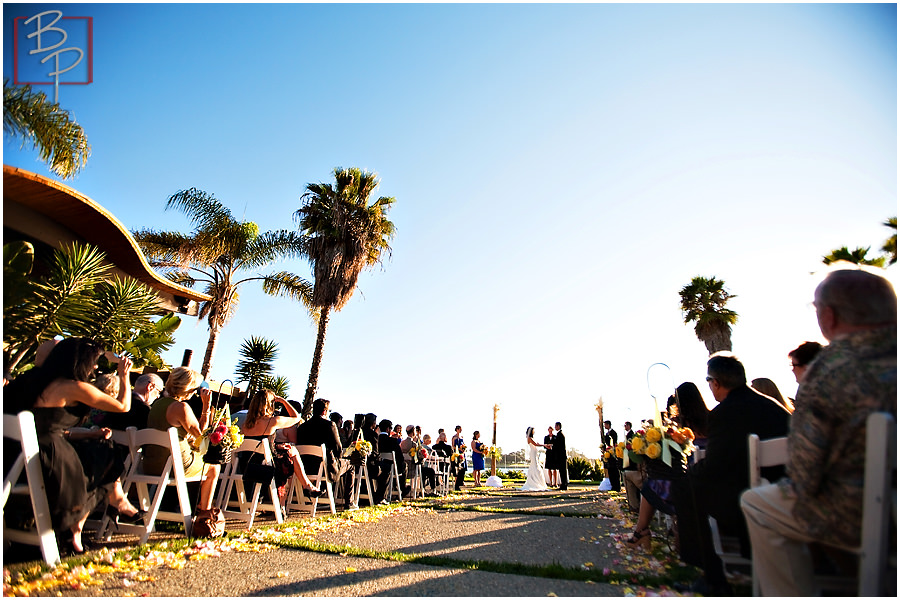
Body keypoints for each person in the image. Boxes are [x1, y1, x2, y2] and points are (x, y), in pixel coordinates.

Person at [741, 269, 896, 596]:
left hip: (862, 514)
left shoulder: (830, 369)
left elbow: (805, 475)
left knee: (758, 503)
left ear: (829, 315)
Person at [671, 352, 791, 596]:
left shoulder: (724, 413)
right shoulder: (775, 408)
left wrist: (692, 471)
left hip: (748, 501)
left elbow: (716, 466)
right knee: (693, 485)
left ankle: (712, 576)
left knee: (685, 488)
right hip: (786, 493)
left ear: (715, 383)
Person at [4, 338, 138, 554]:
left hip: (13, 455)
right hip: (45, 459)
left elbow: (49, 426)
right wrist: (124, 375)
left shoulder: (32, 381)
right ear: (81, 361)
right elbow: (123, 406)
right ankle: (93, 515)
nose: (95, 367)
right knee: (106, 452)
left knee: (96, 450)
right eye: (94, 361)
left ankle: (111, 503)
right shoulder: (73, 387)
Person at [624, 382, 709, 550]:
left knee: (651, 485)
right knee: (655, 483)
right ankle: (647, 532)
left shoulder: (681, 429)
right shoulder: (711, 421)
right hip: (712, 485)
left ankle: (641, 532)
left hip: (690, 490)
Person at [144, 366, 223, 524]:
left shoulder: (157, 404)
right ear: (187, 387)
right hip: (174, 465)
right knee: (214, 468)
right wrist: (206, 407)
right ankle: (205, 517)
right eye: (194, 388)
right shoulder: (181, 408)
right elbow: (200, 434)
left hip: (150, 464)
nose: (195, 392)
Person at [241, 390, 323, 502]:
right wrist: (283, 401)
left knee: (288, 450)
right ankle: (306, 485)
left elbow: (259, 443)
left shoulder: (246, 424)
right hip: (266, 466)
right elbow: (296, 418)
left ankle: (306, 486)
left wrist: (277, 446)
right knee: (292, 450)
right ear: (269, 405)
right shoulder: (273, 421)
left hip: (246, 464)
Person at [296, 398, 343, 484]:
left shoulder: (302, 427)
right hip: (325, 468)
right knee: (350, 465)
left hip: (304, 467)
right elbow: (338, 448)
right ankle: (347, 497)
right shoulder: (330, 425)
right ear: (324, 412)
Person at [374, 419, 406, 503]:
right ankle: (402, 489)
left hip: (377, 464)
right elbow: (400, 457)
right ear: (388, 429)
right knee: (403, 466)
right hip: (390, 467)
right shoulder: (392, 441)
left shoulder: (376, 439)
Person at [622, 421, 644, 512]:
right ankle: (633, 505)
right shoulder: (630, 435)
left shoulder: (633, 435)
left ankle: (635, 505)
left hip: (643, 470)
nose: (624, 427)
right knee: (626, 475)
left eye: (625, 425)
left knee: (628, 475)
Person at [520, 426, 548, 491]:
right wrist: (544, 445)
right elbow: (535, 444)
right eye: (533, 431)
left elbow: (536, 444)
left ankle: (537, 481)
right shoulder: (529, 438)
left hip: (535, 452)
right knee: (535, 465)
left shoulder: (532, 438)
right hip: (533, 452)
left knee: (535, 465)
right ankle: (534, 481)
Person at [602, 420, 619, 492]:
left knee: (614, 470)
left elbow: (614, 442)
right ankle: (613, 485)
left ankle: (616, 486)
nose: (604, 426)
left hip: (612, 454)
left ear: (608, 425)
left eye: (605, 424)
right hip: (608, 453)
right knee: (610, 471)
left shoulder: (613, 433)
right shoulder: (607, 433)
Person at [451, 425, 467, 490]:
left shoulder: (461, 437)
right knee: (457, 466)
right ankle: (456, 481)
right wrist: (458, 449)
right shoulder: (454, 437)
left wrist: (463, 448)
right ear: (457, 429)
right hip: (457, 452)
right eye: (460, 429)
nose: (461, 430)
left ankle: (461, 480)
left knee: (462, 467)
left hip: (461, 452)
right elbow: (453, 446)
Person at [554, 421, 568, 490]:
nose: (555, 427)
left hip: (561, 456)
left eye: (556, 426)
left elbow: (559, 446)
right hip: (561, 455)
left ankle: (564, 485)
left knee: (562, 470)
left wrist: (552, 446)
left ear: (558, 426)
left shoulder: (560, 435)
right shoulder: (559, 434)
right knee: (561, 470)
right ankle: (563, 484)